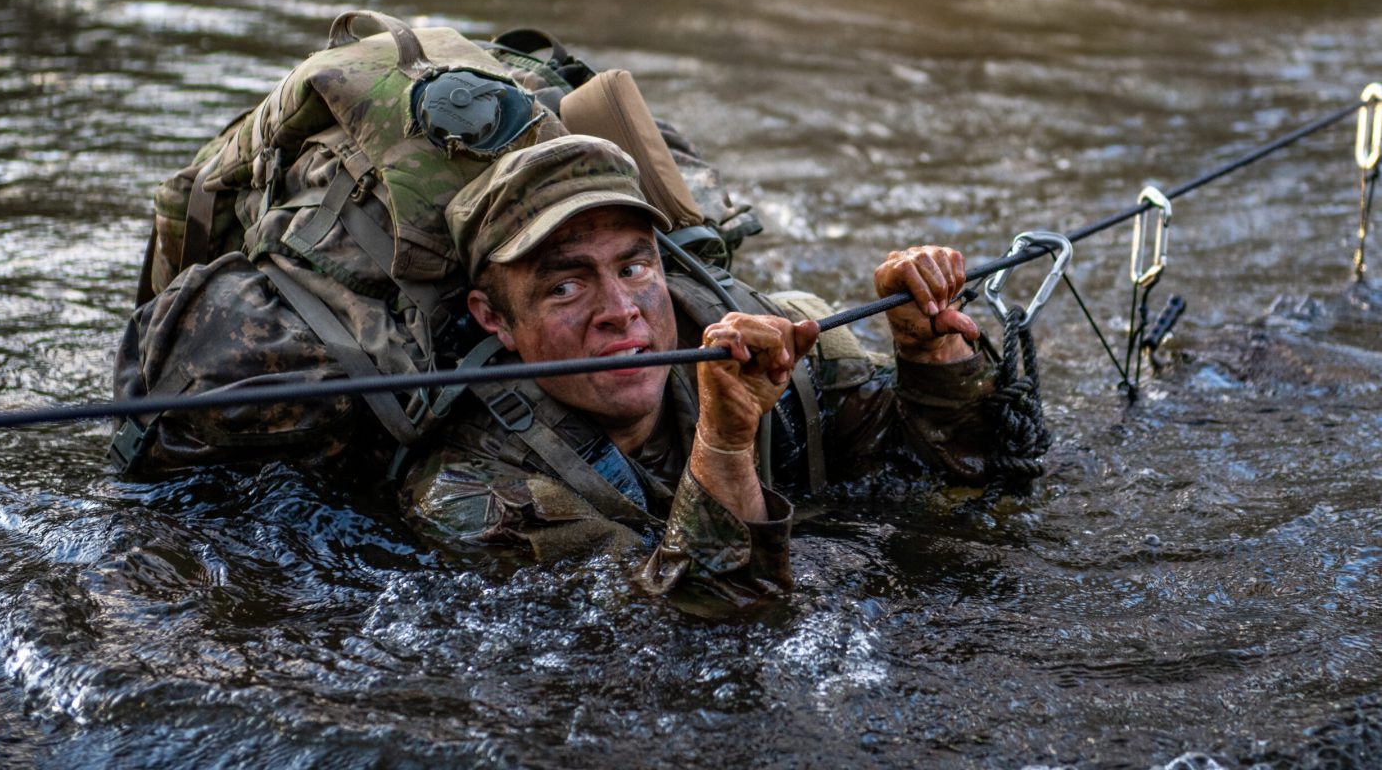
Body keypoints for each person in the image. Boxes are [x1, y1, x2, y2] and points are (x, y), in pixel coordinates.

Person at [400, 134, 1008, 604]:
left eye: (635, 268)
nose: (620, 311)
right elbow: (692, 638)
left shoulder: (780, 342)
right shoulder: (468, 491)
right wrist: (725, 441)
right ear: (495, 318)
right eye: (564, 286)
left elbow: (974, 479)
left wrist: (927, 353)